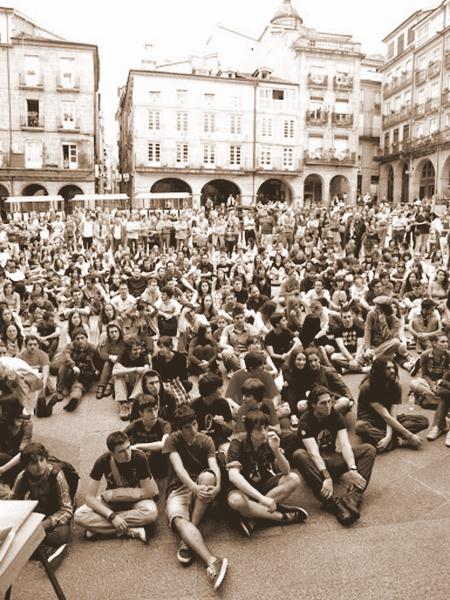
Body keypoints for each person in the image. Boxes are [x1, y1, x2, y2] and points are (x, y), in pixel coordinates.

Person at [163, 405, 228, 591]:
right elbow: (178, 469)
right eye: (187, 427)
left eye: (194, 424)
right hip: (179, 488)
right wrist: (194, 488)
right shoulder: (171, 440)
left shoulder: (206, 440)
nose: (193, 429)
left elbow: (213, 465)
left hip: (201, 486)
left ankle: (188, 538)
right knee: (177, 520)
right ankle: (212, 561)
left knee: (209, 477)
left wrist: (217, 487)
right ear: (178, 429)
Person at [292, 385, 376, 526]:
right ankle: (333, 504)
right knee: (299, 454)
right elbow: (313, 452)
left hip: (333, 459)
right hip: (315, 468)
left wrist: (353, 469)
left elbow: (345, 445)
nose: (328, 406)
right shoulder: (305, 421)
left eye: (330, 401)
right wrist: (326, 476)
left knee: (369, 449)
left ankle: (353, 498)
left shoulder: (336, 416)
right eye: (323, 403)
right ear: (313, 405)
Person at [226, 410, 308, 537]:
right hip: (243, 490)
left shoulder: (269, 440)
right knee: (235, 501)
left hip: (263, 485)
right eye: (259, 429)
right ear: (249, 431)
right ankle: (280, 516)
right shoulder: (237, 442)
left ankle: (253, 516)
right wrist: (262, 499)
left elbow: (286, 471)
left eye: (265, 427)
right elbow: (233, 476)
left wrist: (276, 451)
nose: (264, 432)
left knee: (294, 479)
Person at [74, 431, 158, 542]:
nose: (128, 454)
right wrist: (112, 516)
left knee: (151, 512)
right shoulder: (102, 461)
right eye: (122, 451)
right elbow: (90, 497)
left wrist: (114, 517)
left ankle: (100, 528)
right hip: (112, 502)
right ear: (112, 453)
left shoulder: (139, 457)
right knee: (79, 515)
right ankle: (130, 530)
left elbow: (148, 491)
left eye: (128, 447)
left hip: (135, 500)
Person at [9, 442, 73, 569]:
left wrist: (45, 524)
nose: (39, 466)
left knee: (60, 535)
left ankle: (37, 549)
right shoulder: (22, 477)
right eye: (33, 463)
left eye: (42, 460)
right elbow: (14, 504)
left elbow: (67, 509)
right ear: (26, 466)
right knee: (15, 536)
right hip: (36, 514)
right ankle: (50, 552)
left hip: (54, 514)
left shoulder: (56, 475)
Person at [355, 358, 429, 451]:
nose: (392, 371)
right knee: (360, 427)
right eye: (388, 369)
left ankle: (384, 440)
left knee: (423, 421)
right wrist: (409, 436)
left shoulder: (396, 386)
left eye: (393, 368)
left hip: (387, 419)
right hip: (370, 420)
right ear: (379, 371)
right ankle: (399, 442)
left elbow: (392, 415)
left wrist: (388, 437)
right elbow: (386, 416)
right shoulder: (368, 387)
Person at [124, 393, 171, 480]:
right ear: (141, 413)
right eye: (149, 411)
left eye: (155, 409)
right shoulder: (135, 424)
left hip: (159, 464)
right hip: (140, 462)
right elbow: (120, 439)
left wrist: (138, 446)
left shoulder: (164, 425)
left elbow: (164, 444)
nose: (154, 414)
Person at [190, 372, 233, 455]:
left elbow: (230, 431)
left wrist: (223, 424)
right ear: (211, 391)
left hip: (219, 440)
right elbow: (188, 433)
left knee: (228, 452)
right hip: (199, 441)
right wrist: (198, 434)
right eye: (219, 388)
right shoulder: (193, 406)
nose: (222, 390)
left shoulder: (223, 404)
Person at [410, 334, 450, 411]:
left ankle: (430, 399)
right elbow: (425, 374)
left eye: (447, 341)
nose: (446, 344)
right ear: (434, 343)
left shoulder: (448, 355)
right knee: (414, 383)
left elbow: (447, 373)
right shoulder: (425, 355)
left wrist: (440, 384)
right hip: (429, 382)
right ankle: (441, 401)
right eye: (442, 341)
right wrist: (432, 386)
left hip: (443, 382)